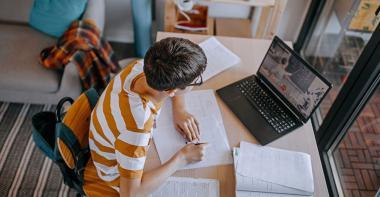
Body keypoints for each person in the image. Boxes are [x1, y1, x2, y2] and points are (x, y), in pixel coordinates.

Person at [86, 37, 208, 196]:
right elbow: (130, 194)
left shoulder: (142, 67)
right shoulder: (136, 128)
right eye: (195, 81)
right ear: (171, 91)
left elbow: (173, 85)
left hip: (119, 142)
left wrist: (180, 109)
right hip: (116, 174)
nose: (197, 82)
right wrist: (182, 158)